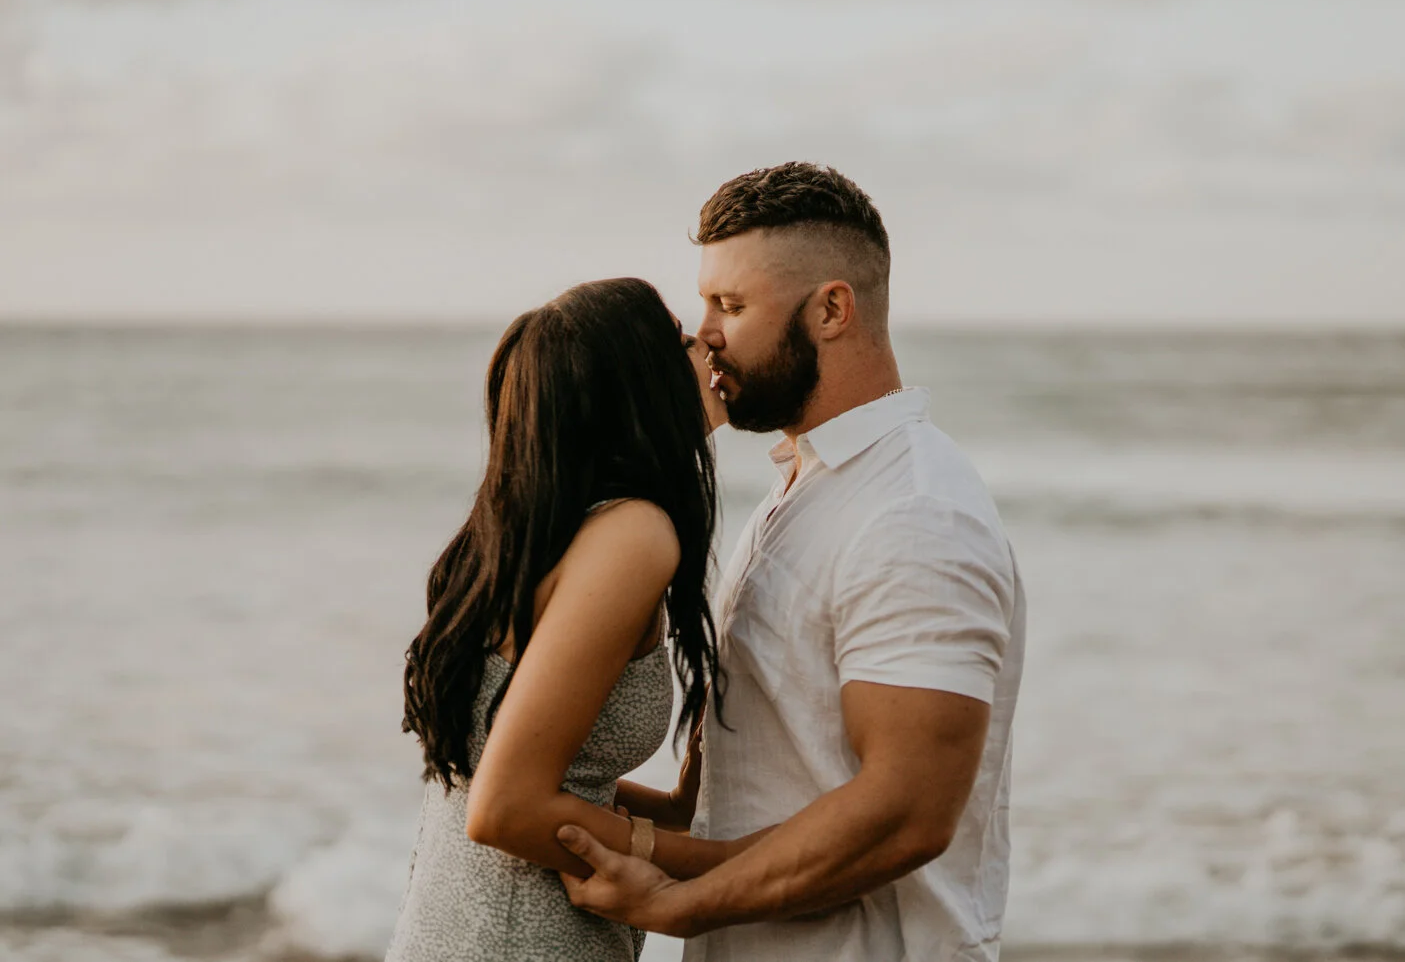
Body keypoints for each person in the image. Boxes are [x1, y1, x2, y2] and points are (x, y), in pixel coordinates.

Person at [556, 163, 1028, 962]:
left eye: (730, 306)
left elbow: (907, 809)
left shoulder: (912, 512)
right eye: (706, 301)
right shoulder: (805, 489)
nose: (703, 331)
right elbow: (734, 803)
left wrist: (684, 906)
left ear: (832, 309)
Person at [386, 278, 753, 962]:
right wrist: (715, 860)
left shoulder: (529, 538)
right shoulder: (634, 535)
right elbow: (504, 808)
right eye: (676, 339)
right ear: (633, 385)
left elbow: (534, 779)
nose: (703, 341)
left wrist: (673, 806)